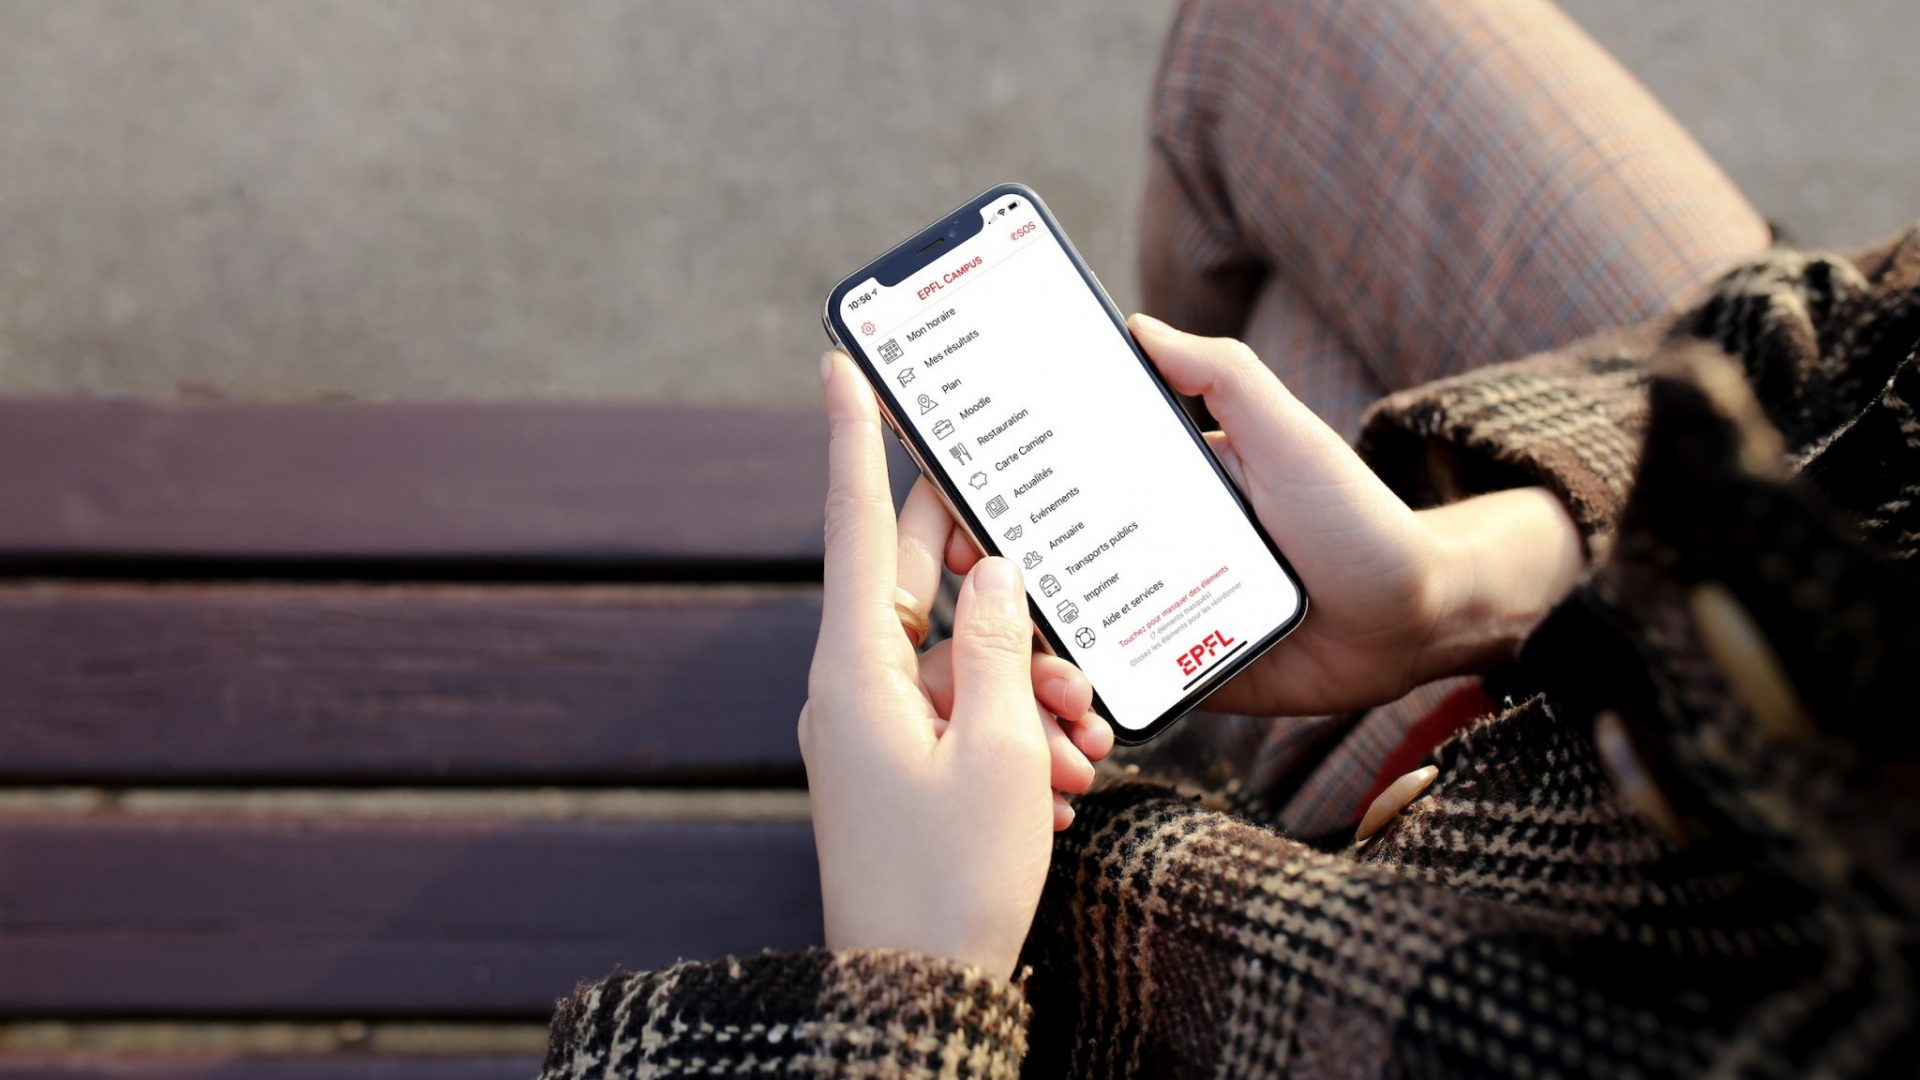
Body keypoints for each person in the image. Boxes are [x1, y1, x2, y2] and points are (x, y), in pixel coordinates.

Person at [542, 0, 1919, 1075]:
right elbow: (1877, 347)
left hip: (1348, 925)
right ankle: (1200, 618)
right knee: (1283, 50)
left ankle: (1183, 694)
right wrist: (1462, 583)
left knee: (1231, 408)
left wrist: (915, 978)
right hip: (1611, 647)